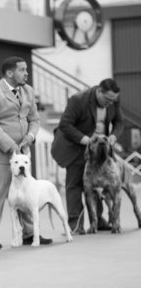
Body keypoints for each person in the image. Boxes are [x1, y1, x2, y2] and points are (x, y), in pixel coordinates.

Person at [0, 56, 50, 248]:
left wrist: (31, 137)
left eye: (26, 69)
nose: (26, 73)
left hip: (23, 155)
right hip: (0, 155)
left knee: (27, 192)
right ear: (10, 73)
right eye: (22, 70)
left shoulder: (28, 91)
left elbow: (34, 120)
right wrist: (10, 145)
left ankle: (29, 233)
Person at [51, 78, 123, 234]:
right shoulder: (78, 100)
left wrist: (113, 137)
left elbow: (119, 123)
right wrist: (85, 140)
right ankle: (75, 225)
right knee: (75, 184)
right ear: (99, 91)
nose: (110, 103)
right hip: (76, 145)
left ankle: (99, 220)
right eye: (107, 99)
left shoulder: (113, 100)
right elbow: (65, 124)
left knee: (97, 184)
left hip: (101, 148)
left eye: (113, 101)